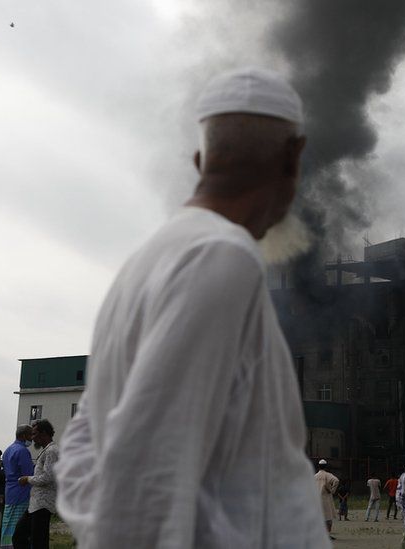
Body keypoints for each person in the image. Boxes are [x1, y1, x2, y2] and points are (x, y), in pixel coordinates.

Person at [54, 67, 331, 548]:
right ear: (293, 157)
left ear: (200, 158)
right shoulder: (222, 256)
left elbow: (84, 441)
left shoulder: (143, 261)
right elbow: (147, 472)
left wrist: (96, 526)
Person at [14, 419, 58, 549]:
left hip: (43, 504)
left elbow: (48, 477)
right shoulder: (46, 451)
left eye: (34, 434)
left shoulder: (51, 451)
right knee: (20, 536)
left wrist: (27, 479)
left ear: (43, 433)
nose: (32, 438)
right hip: (36, 504)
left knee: (38, 541)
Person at [0, 425, 34, 548]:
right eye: (31, 435)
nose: (32, 438)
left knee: (8, 524)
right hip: (22, 493)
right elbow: (29, 475)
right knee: (20, 528)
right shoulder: (23, 451)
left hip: (10, 491)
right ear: (24, 435)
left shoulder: (8, 450)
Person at [315, 460, 340, 538]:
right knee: (328, 518)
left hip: (316, 499)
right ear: (326, 466)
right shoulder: (327, 475)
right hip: (325, 499)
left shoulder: (314, 476)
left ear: (318, 466)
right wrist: (332, 490)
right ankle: (327, 534)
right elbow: (336, 480)